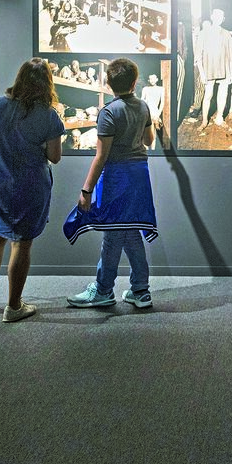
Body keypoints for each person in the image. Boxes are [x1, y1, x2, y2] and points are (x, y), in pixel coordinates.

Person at [0, 57, 65, 322]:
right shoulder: (49, 116)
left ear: (19, 78)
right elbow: (55, 157)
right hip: (31, 185)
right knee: (22, 244)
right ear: (47, 83)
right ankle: (13, 306)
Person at [64, 58, 158, 309]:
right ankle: (140, 290)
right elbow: (149, 140)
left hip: (116, 176)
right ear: (135, 82)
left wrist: (86, 190)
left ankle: (104, 290)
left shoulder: (108, 112)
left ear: (108, 83)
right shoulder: (144, 107)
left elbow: (101, 156)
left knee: (113, 232)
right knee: (131, 230)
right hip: (139, 175)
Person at [196, 8, 232, 128]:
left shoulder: (227, 34)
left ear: (223, 19)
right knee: (208, 95)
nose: (218, 18)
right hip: (209, 69)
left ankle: (219, 118)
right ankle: (204, 121)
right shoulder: (203, 33)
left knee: (223, 94)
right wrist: (202, 73)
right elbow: (198, 56)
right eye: (216, 15)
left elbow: (231, 56)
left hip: (224, 69)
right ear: (212, 16)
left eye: (221, 16)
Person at [140, 74, 164, 149]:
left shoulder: (161, 89)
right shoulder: (145, 89)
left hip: (155, 112)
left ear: (157, 79)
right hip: (146, 112)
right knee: (145, 133)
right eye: (151, 79)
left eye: (154, 79)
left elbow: (162, 103)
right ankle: (146, 151)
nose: (152, 80)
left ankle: (153, 150)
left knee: (153, 133)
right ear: (149, 80)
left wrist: (158, 114)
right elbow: (142, 101)